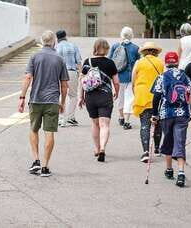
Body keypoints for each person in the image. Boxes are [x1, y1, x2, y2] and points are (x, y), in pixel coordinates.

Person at [18, 30, 69, 177]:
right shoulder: (59, 59)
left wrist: (22, 97)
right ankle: (45, 167)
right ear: (54, 42)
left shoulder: (34, 56)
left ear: (42, 41)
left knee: (33, 129)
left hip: (35, 99)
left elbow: (28, 77)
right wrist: (63, 102)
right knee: (49, 133)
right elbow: (64, 85)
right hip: (52, 101)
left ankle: (36, 161)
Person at [151, 51, 191, 188]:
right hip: (182, 114)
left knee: (168, 139)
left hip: (166, 114)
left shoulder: (161, 77)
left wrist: (154, 114)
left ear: (166, 62)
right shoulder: (185, 76)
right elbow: (190, 95)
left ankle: (169, 169)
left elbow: (156, 97)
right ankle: (181, 172)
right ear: (177, 62)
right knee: (180, 142)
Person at [78, 38, 120, 162]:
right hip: (105, 96)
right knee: (104, 124)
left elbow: (82, 81)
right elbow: (116, 82)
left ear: (95, 48)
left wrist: (81, 97)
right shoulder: (110, 63)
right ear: (106, 49)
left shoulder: (87, 62)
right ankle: (102, 148)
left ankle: (96, 149)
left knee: (95, 124)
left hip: (91, 97)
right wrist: (116, 92)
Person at [131, 41, 164, 163]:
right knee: (157, 123)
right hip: (157, 96)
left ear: (144, 51)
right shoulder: (160, 63)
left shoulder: (139, 63)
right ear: (155, 51)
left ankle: (145, 151)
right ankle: (156, 148)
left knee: (145, 124)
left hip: (142, 95)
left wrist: (136, 93)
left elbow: (133, 80)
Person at [109, 27, 140, 130]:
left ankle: (121, 117)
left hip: (117, 76)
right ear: (131, 35)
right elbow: (139, 63)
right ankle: (127, 121)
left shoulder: (115, 46)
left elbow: (110, 60)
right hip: (130, 77)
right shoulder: (135, 48)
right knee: (129, 98)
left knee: (120, 97)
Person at [55, 29, 81, 127]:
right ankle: (70, 117)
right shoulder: (73, 46)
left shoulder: (55, 47)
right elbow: (78, 62)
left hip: (58, 73)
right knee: (73, 95)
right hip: (71, 72)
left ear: (57, 38)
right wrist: (81, 74)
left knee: (60, 95)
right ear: (66, 36)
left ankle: (61, 118)